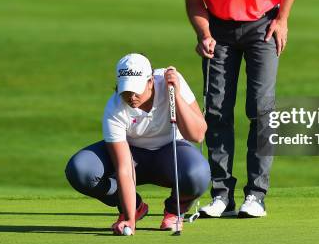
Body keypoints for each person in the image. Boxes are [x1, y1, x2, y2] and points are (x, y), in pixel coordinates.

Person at [177, 0, 305, 218]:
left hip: (262, 26)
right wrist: (203, 33)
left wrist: (283, 18)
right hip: (219, 28)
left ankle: (256, 195)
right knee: (217, 110)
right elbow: (194, 2)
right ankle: (221, 194)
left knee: (260, 110)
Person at [65, 53, 211, 234]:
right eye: (126, 90)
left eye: (136, 89)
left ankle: (174, 212)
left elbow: (197, 135)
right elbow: (125, 168)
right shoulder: (115, 108)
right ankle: (135, 207)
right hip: (132, 155)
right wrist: (129, 218)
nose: (131, 96)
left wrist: (176, 95)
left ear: (150, 82)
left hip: (171, 153)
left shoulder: (170, 81)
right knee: (81, 169)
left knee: (198, 173)